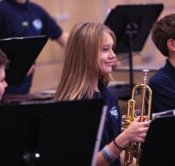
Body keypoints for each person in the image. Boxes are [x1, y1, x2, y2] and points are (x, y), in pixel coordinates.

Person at [54, 22, 150, 166]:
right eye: (105, 50)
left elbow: (118, 154)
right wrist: (126, 137)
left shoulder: (109, 95)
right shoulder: (74, 105)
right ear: (86, 55)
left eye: (112, 49)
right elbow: (88, 162)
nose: (113, 55)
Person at [0, 0, 68, 94]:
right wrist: (13, 69)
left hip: (24, 90)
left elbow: (62, 37)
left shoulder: (37, 11)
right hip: (0, 91)